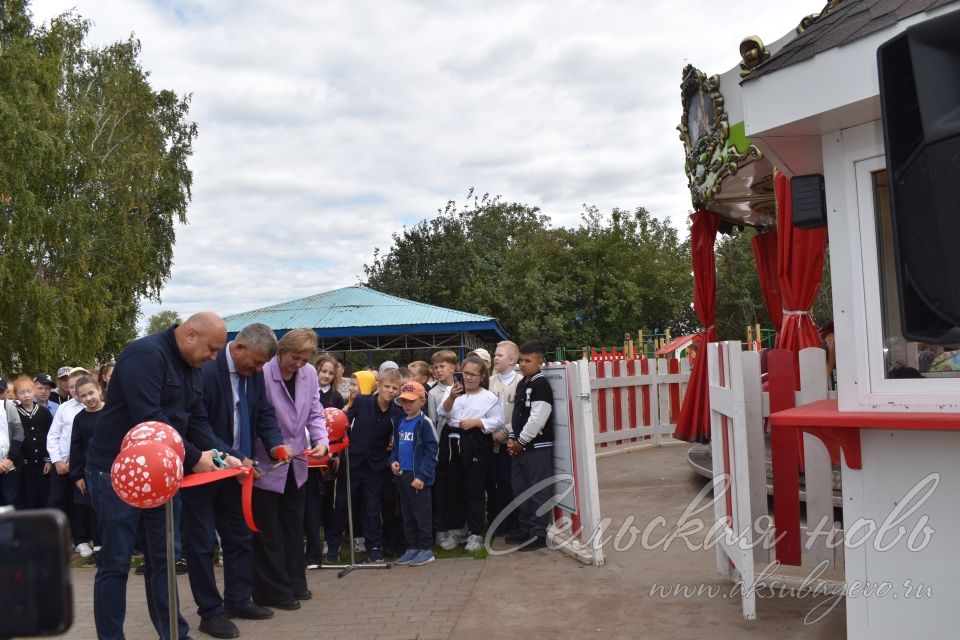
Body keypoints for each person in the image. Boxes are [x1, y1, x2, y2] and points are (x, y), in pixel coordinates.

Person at [85, 312, 242, 640]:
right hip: (115, 472)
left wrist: (226, 454)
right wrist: (195, 456)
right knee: (115, 561)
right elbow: (150, 418)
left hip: (162, 475)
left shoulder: (194, 369)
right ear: (190, 335)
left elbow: (197, 421)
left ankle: (174, 634)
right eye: (211, 349)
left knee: (165, 558)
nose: (214, 357)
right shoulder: (144, 356)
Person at [182, 323, 288, 638]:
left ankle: (239, 599)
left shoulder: (253, 376)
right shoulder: (205, 369)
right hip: (203, 471)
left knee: (240, 537)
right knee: (201, 545)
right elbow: (197, 425)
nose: (257, 369)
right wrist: (228, 455)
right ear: (238, 347)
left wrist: (274, 444)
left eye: (261, 366)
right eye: (255, 362)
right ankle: (211, 613)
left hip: (236, 473)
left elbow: (264, 413)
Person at [253, 328, 328, 611]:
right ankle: (274, 591)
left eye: (305, 359)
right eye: (294, 357)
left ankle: (297, 582)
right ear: (281, 350)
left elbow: (314, 411)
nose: (298, 364)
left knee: (294, 528)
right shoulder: (262, 372)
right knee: (269, 531)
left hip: (297, 464)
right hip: (266, 464)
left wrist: (321, 441)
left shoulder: (308, 374)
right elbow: (258, 417)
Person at [326, 368, 402, 562]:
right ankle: (333, 548)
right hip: (352, 462)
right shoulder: (361, 401)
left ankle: (374, 548)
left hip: (376, 465)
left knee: (372, 507)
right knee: (342, 504)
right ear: (378, 386)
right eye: (387, 386)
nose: (390, 391)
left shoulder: (396, 412)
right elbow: (344, 426)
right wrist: (336, 453)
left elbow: (397, 436)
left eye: (395, 388)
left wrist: (393, 443)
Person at [437, 355, 504, 552]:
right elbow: (443, 411)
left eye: (473, 375)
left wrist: (477, 422)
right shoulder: (452, 391)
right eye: (465, 373)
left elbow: (498, 421)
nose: (468, 378)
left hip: (475, 441)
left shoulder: (489, 397)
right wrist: (452, 397)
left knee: (474, 488)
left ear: (482, 376)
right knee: (453, 487)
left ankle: (476, 532)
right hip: (451, 441)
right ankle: (457, 529)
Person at [506, 340, 555, 551]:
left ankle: (538, 533)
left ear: (540, 361)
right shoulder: (523, 383)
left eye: (528, 360)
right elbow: (515, 414)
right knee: (520, 489)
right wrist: (511, 436)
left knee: (538, 490)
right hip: (519, 446)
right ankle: (525, 528)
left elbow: (537, 419)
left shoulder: (540, 385)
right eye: (521, 360)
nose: (523, 364)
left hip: (537, 448)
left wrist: (521, 441)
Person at [389, 381, 439, 566]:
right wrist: (392, 461)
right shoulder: (400, 422)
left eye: (411, 401)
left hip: (418, 478)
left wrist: (422, 476)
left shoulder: (424, 423)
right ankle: (413, 547)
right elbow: (395, 447)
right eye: (404, 401)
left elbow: (432, 451)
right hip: (402, 476)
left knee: (422, 515)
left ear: (422, 401)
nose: (407, 405)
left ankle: (426, 549)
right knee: (407, 515)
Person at [304, 355, 344, 569]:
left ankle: (329, 540)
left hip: (327, 457)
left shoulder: (337, 397)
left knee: (327, 498)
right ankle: (308, 543)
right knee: (306, 501)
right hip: (305, 455)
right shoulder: (306, 392)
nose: (326, 376)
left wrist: (336, 454)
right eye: (323, 371)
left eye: (330, 372)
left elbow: (338, 431)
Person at [46, 367, 89, 546]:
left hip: (83, 464)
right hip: (62, 464)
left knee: (80, 503)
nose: (73, 389)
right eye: (70, 386)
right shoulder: (64, 409)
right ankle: (55, 539)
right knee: (57, 500)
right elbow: (53, 436)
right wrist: (57, 460)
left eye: (77, 385)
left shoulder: (93, 405)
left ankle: (81, 539)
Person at [427, 350, 462, 547]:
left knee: (458, 486)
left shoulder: (462, 388)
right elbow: (433, 422)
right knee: (442, 489)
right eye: (435, 367)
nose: (438, 370)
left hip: (460, 444)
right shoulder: (433, 393)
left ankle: (459, 525)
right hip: (442, 446)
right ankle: (441, 528)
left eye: (442, 366)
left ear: (453, 368)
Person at [69, 375, 105, 564]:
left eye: (91, 393)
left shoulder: (111, 412)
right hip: (90, 472)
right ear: (78, 398)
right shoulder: (80, 419)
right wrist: (77, 475)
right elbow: (75, 448)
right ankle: (98, 547)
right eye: (83, 396)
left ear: (99, 390)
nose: (89, 398)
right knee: (94, 510)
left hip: (112, 470)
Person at [487, 340, 521, 537]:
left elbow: (522, 414)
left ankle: (515, 523)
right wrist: (490, 432)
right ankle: (498, 522)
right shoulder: (490, 382)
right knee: (495, 484)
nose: (495, 358)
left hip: (511, 443)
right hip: (491, 444)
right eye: (495, 354)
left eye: (500, 355)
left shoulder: (521, 382)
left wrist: (506, 432)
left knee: (511, 483)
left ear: (512, 359)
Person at [14, 376, 54, 509]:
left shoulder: (44, 412)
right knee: (28, 498)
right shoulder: (15, 413)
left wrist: (49, 459)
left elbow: (51, 436)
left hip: (43, 464)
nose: (26, 395)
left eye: (28, 391)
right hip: (25, 465)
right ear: (16, 395)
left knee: (45, 496)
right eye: (21, 392)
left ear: (33, 392)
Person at [0, 379, 24, 506]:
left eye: (1, 391)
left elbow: (19, 434)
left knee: (10, 503)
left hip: (10, 466)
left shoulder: (9, 407)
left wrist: (10, 459)